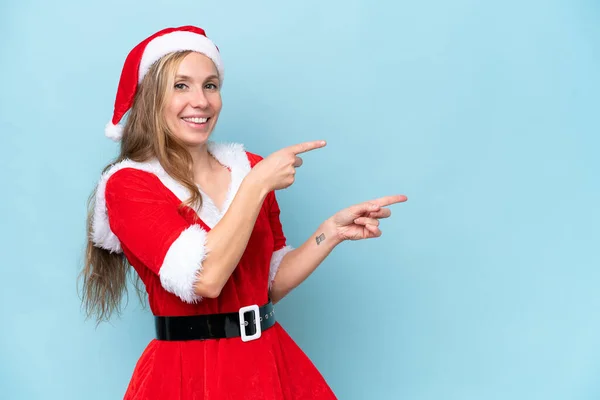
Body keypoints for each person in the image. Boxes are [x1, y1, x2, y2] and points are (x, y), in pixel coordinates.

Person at [80, 25, 407, 399]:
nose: (201, 101)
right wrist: (256, 184)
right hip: (189, 374)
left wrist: (329, 232)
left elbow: (266, 283)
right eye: (181, 86)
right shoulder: (128, 185)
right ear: (152, 97)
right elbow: (206, 279)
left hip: (268, 360)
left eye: (211, 85)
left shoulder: (248, 167)